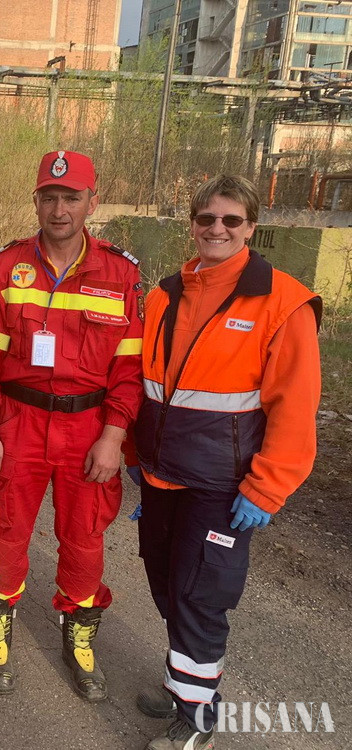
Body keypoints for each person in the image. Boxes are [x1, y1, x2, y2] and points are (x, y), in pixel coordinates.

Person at [130, 175, 322, 750]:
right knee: (167, 585)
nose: (217, 229)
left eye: (231, 220)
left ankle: (198, 721)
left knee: (200, 597)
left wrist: (266, 488)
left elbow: (295, 405)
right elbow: (148, 386)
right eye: (206, 218)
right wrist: (137, 457)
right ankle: (184, 686)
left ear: (251, 227)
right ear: (192, 224)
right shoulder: (165, 294)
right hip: (161, 476)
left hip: (223, 486)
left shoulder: (283, 302)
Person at [0, 150, 144, 700]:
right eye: (49, 197)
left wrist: (114, 436)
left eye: (71, 198)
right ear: (36, 201)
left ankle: (79, 633)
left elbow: (130, 369)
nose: (59, 209)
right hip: (17, 421)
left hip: (89, 427)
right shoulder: (6, 267)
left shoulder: (120, 273)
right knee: (5, 529)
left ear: (92, 202)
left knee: (84, 536)